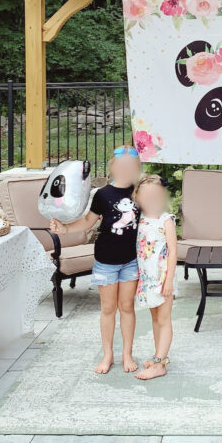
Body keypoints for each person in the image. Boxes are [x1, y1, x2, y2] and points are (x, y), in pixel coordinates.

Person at [52, 147, 141, 374]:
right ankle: (108, 354)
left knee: (127, 307)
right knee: (109, 308)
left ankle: (127, 354)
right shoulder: (102, 194)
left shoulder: (139, 193)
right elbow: (87, 222)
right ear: (112, 167)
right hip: (106, 261)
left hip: (131, 261)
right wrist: (65, 229)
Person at [132, 174, 177, 380]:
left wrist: (168, 281)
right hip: (147, 279)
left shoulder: (165, 220)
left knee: (164, 319)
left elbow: (173, 252)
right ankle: (157, 355)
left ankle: (161, 364)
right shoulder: (140, 218)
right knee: (155, 318)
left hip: (162, 278)